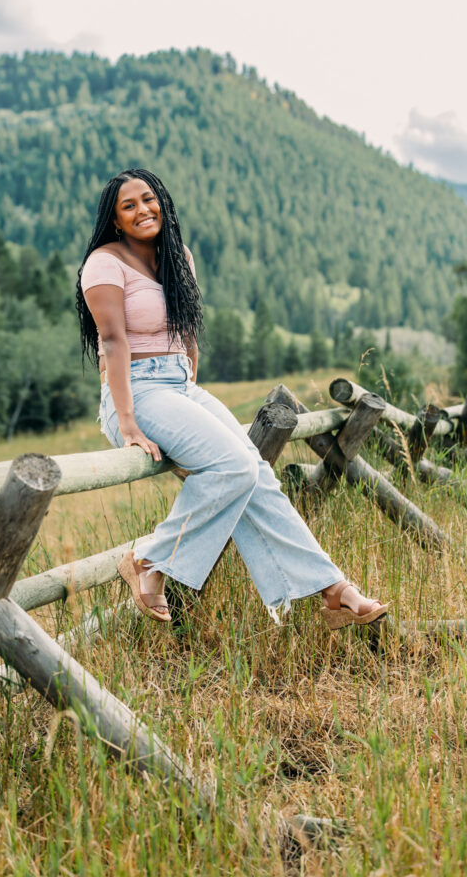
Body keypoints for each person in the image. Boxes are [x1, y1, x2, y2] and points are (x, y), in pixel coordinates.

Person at [76, 168, 387, 629]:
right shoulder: (104, 262)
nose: (143, 209)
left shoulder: (178, 256)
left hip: (179, 385)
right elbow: (115, 343)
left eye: (149, 199)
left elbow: (187, 323)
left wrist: (189, 366)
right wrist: (128, 425)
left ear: (162, 201)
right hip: (136, 391)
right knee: (236, 467)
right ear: (115, 220)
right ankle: (147, 559)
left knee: (254, 471)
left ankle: (332, 589)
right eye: (129, 205)